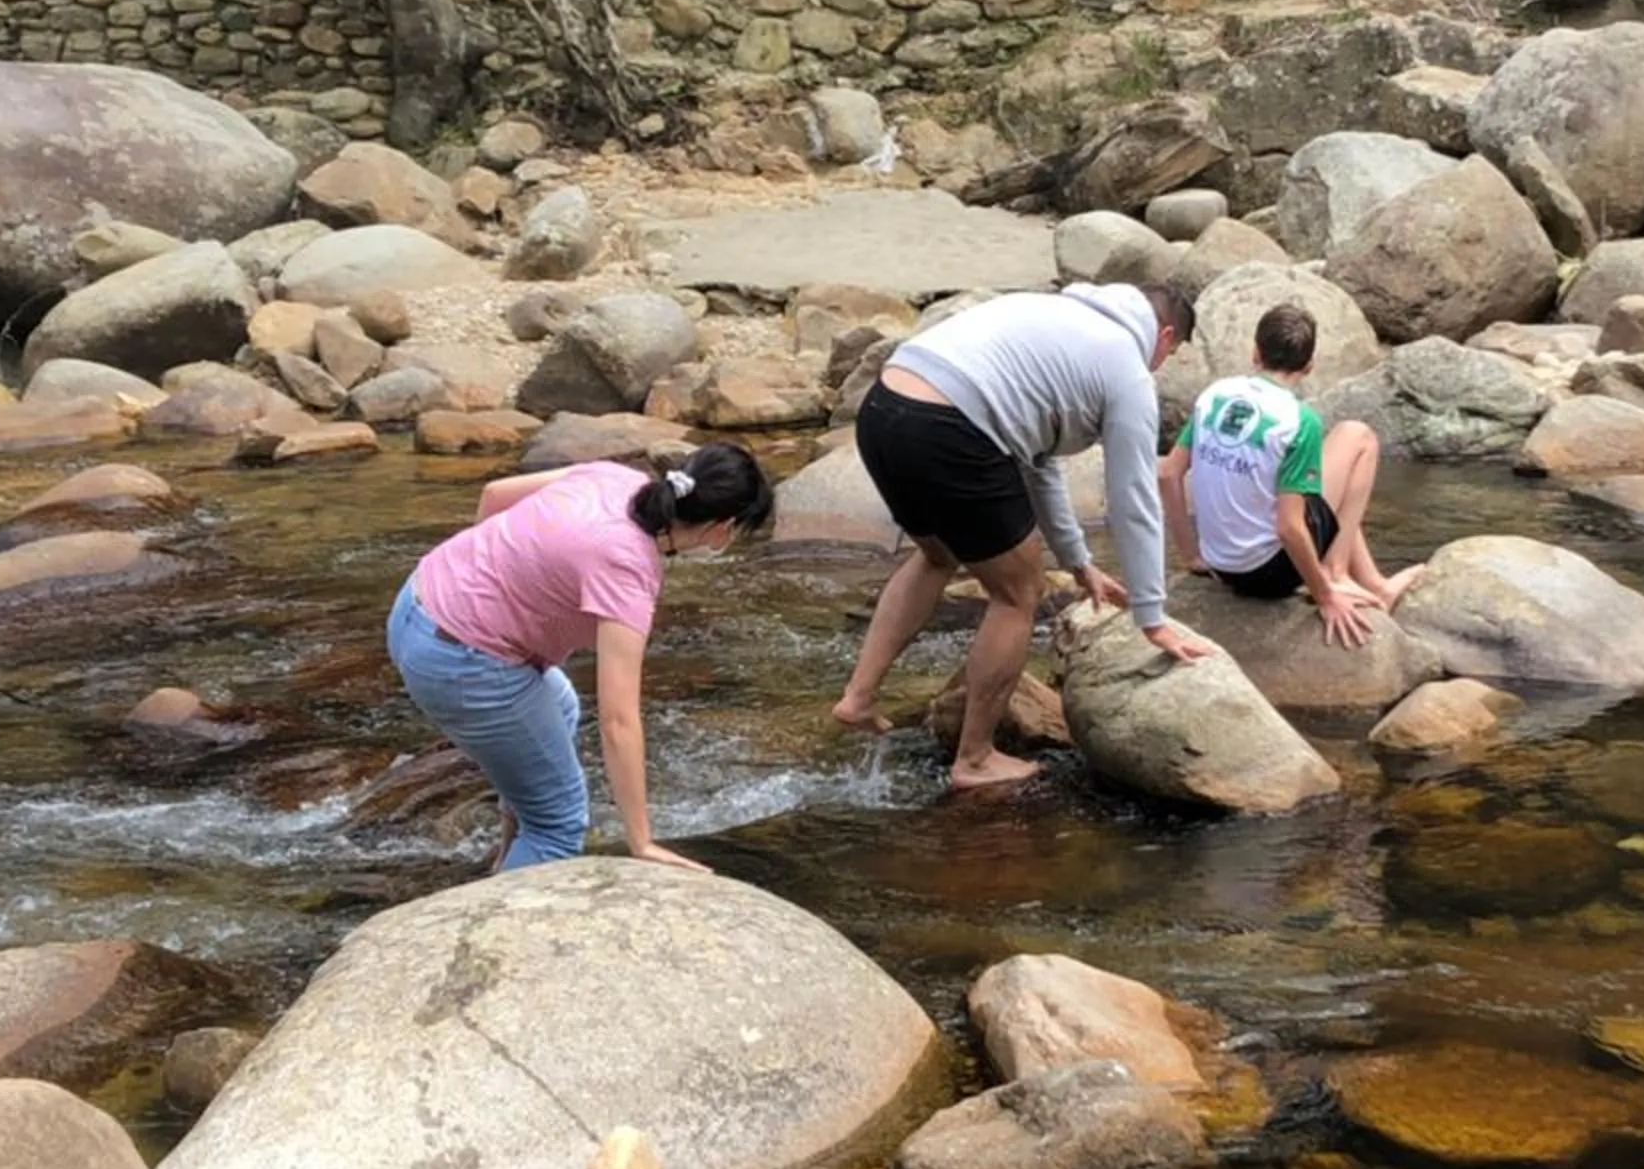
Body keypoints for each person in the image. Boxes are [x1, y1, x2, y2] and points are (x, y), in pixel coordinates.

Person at [834, 280, 1212, 790]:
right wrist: (1152, 616)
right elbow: (1134, 499)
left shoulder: (1054, 316)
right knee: (1018, 594)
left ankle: (858, 698)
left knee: (937, 555)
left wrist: (1079, 564)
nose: (1161, 365)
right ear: (1165, 336)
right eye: (1171, 353)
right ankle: (975, 760)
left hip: (884, 410)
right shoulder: (1126, 368)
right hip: (947, 426)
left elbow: (1040, 467)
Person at [387, 442, 772, 872]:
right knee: (560, 827)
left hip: (416, 602)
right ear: (722, 529)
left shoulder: (617, 477)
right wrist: (641, 841)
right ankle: (490, 928)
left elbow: (494, 494)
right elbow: (618, 720)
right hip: (460, 661)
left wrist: (484, 585)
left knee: (562, 708)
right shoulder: (628, 568)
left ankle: (505, 862)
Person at [1161, 302, 1416, 647]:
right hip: (1270, 574)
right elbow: (1289, 527)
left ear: (1255, 351)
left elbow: (1168, 475)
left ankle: (1375, 584)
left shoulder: (1214, 396)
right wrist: (1324, 596)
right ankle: (1336, 573)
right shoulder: (1298, 421)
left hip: (1222, 564)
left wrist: (1192, 555)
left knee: (1311, 485)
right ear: (1309, 366)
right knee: (1358, 438)